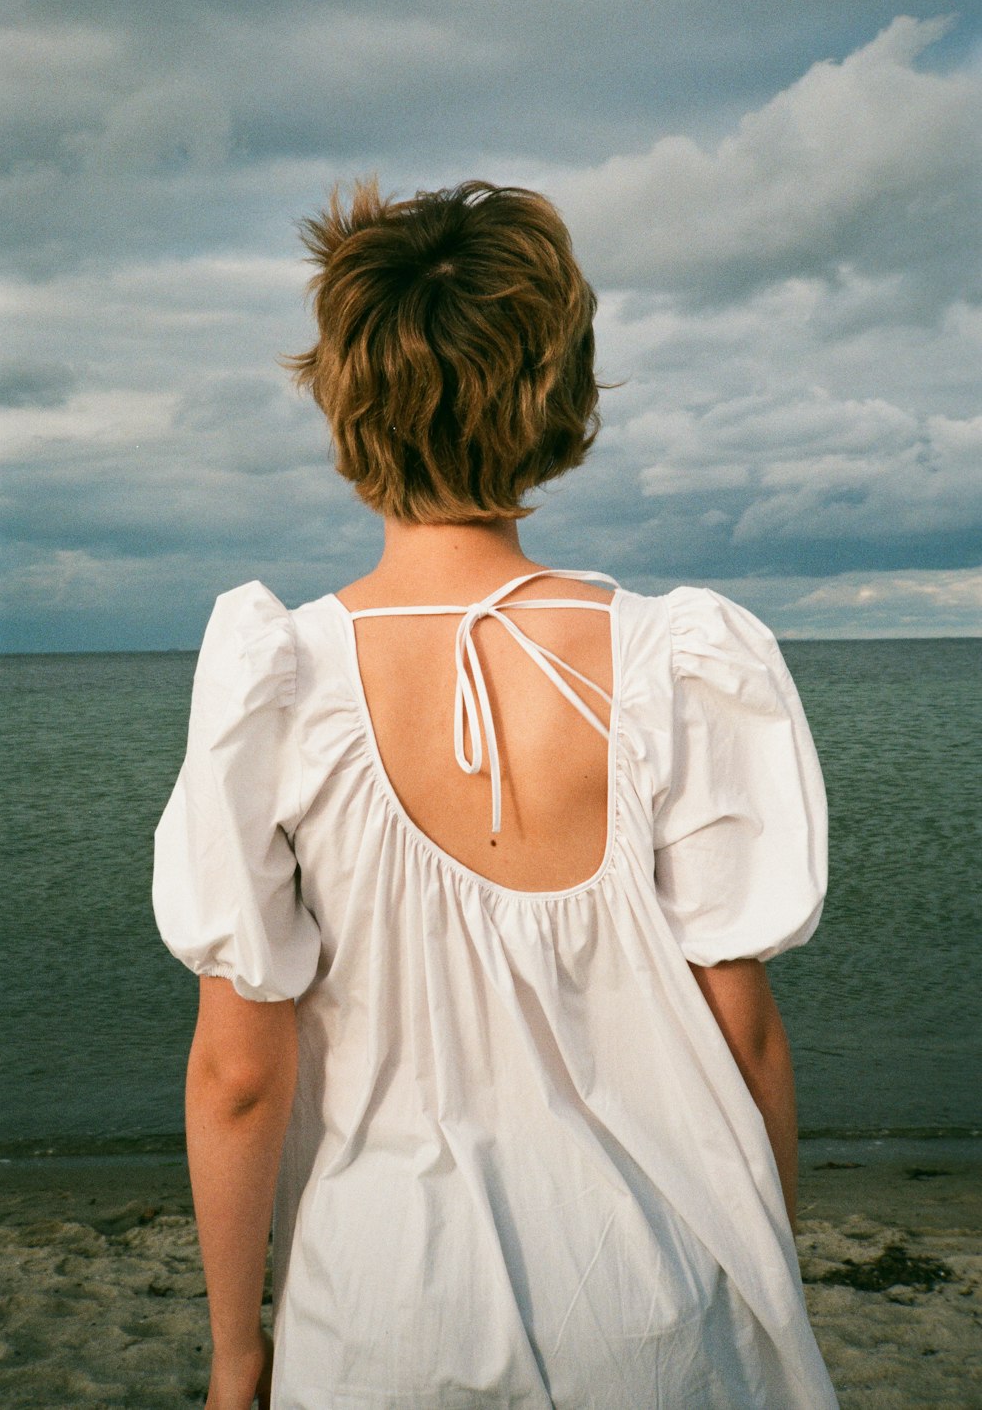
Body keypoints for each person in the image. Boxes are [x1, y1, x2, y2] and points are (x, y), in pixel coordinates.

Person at [153, 179, 838, 1409]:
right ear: (559, 399)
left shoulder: (279, 679)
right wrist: (767, 1260)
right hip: (659, 1292)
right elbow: (740, 1028)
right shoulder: (676, 659)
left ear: (345, 401)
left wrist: (234, 1356)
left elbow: (239, 1074)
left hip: (379, 1307)